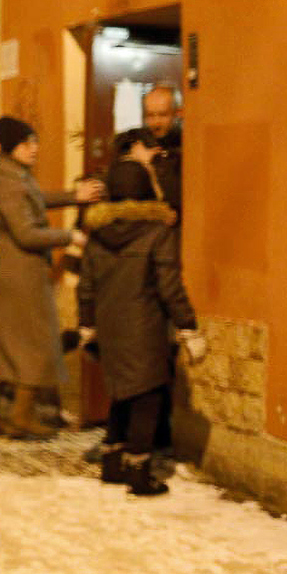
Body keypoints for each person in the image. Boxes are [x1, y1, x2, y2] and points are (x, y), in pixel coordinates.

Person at [77, 159, 206, 495]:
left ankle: (112, 462)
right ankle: (138, 471)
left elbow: (86, 286)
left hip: (110, 328)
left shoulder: (97, 235)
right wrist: (188, 326)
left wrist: (87, 323)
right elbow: (169, 287)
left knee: (121, 394)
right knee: (147, 398)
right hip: (144, 327)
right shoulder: (157, 233)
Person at [0, 116, 103, 439]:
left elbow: (35, 199)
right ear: (11, 147)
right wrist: (70, 237)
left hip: (17, 268)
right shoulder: (9, 183)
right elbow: (27, 234)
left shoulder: (13, 174)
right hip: (20, 270)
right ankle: (21, 416)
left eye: (33, 141)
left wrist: (74, 195)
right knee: (35, 341)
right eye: (25, 143)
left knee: (6, 343)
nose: (33, 148)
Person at [142, 84, 182, 212]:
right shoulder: (139, 142)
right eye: (150, 115)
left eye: (163, 115)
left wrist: (148, 164)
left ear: (178, 114)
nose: (156, 123)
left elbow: (174, 201)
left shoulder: (188, 148)